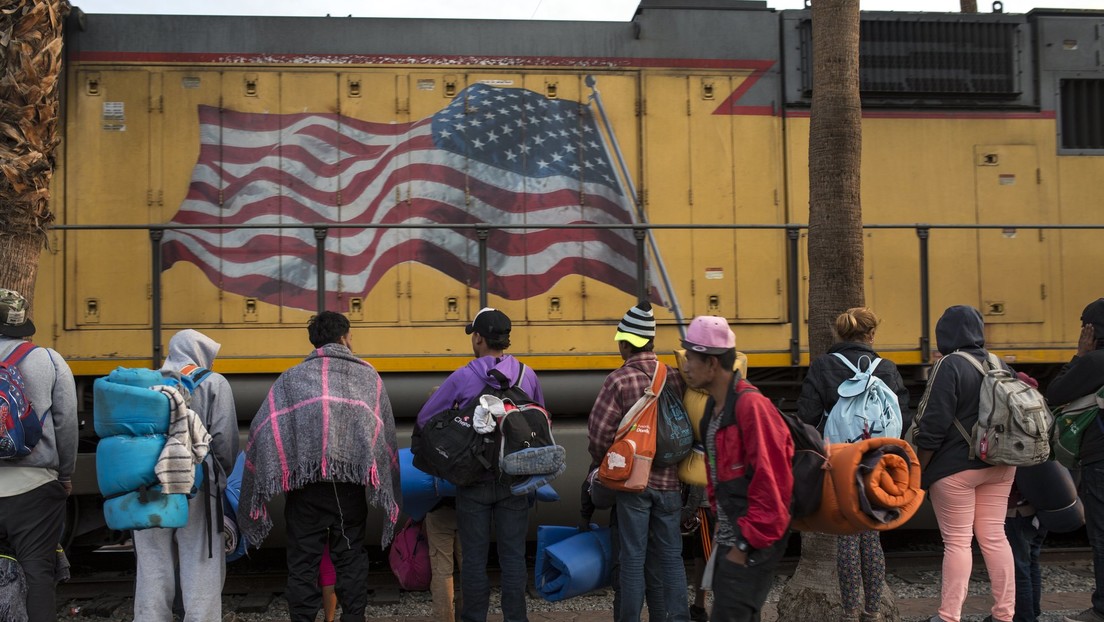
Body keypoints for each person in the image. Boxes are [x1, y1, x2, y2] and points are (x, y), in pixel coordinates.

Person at [239, 311, 401, 622]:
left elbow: (263, 428)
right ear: (343, 338)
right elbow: (382, 432)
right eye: (350, 336)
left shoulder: (291, 378)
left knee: (303, 563)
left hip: (306, 490)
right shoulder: (367, 376)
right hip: (349, 489)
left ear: (315, 342)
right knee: (350, 559)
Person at [415, 307, 543, 622]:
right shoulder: (527, 375)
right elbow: (540, 421)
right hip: (514, 480)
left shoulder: (463, 377)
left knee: (473, 560)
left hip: (472, 481)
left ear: (478, 338)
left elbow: (426, 418)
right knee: (513, 559)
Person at [796, 307, 910, 622]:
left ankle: (849, 612)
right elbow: (902, 415)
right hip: (877, 459)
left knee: (847, 535)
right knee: (871, 534)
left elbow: (807, 417)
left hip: (840, 459)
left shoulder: (823, 366)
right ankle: (872, 611)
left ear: (839, 333)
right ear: (871, 334)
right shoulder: (887, 368)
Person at [679, 315, 793, 622]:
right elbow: (718, 475)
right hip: (731, 540)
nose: (685, 366)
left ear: (712, 363)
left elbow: (772, 485)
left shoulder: (751, 407)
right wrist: (721, 526)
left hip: (752, 543)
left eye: (691, 358)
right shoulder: (713, 410)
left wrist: (743, 546)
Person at [913, 305, 1015, 622]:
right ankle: (1004, 614)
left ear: (944, 334)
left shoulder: (949, 365)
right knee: (995, 537)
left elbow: (932, 425)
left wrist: (920, 469)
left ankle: (948, 616)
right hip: (1000, 464)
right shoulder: (999, 364)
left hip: (956, 469)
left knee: (957, 542)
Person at [588, 301, 688, 622]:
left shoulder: (618, 380)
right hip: (670, 482)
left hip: (633, 483)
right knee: (671, 557)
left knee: (632, 558)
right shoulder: (674, 377)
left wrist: (605, 465)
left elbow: (599, 435)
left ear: (626, 343)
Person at [132, 329, 239, 621]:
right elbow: (224, 441)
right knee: (200, 560)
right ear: (199, 354)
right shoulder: (214, 382)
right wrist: (218, 479)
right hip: (196, 485)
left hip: (147, 484)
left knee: (152, 563)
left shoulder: (146, 384)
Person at [0, 288, 77, 622]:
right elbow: (66, 423)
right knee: (37, 573)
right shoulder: (48, 360)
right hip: (35, 489)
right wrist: (65, 475)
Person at [1047, 298, 1104, 622]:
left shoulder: (1094, 362)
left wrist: (1079, 355)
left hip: (1101, 462)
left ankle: (1102, 609)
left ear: (1092, 331)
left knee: (1102, 534)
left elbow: (1056, 393)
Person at [423, 500, 462, 622]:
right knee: (471, 569)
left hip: (438, 508)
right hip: (471, 509)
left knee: (442, 572)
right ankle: (468, 618)